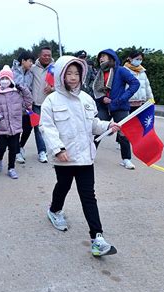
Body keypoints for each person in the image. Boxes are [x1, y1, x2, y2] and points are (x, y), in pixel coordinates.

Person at [39, 56, 120, 257]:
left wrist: (108, 126)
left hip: (85, 156)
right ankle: (54, 210)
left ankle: (97, 238)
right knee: (63, 187)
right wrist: (58, 149)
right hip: (64, 157)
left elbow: (93, 124)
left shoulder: (86, 99)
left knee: (88, 196)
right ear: (61, 75)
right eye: (69, 73)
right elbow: (46, 127)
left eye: (76, 73)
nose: (73, 77)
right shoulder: (51, 100)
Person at [92, 49, 140, 170]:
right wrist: (102, 98)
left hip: (119, 106)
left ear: (111, 58)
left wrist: (122, 98)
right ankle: (89, 156)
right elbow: (96, 90)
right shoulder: (100, 72)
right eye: (100, 57)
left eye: (104, 56)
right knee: (97, 129)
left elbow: (135, 83)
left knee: (123, 132)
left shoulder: (121, 70)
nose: (101, 58)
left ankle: (126, 159)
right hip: (103, 106)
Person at [0, 65, 33, 179]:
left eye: (7, 78)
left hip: (15, 126)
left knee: (13, 148)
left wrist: (23, 89)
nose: (4, 81)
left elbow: (28, 102)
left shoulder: (17, 92)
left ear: (11, 80)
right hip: (2, 127)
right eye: (2, 78)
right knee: (2, 147)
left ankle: (11, 168)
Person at [26, 46, 53, 163]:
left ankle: (52, 149)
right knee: (38, 128)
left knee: (52, 128)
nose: (47, 57)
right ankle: (42, 151)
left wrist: (53, 88)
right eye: (44, 55)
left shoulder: (55, 68)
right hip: (36, 103)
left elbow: (63, 84)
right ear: (39, 56)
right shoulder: (33, 68)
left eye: (49, 55)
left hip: (51, 103)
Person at [12, 51, 35, 164]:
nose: (31, 63)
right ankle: (16, 153)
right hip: (15, 106)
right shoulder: (12, 73)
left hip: (27, 107)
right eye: (30, 61)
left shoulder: (30, 74)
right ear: (23, 61)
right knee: (16, 131)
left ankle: (21, 146)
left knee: (28, 127)